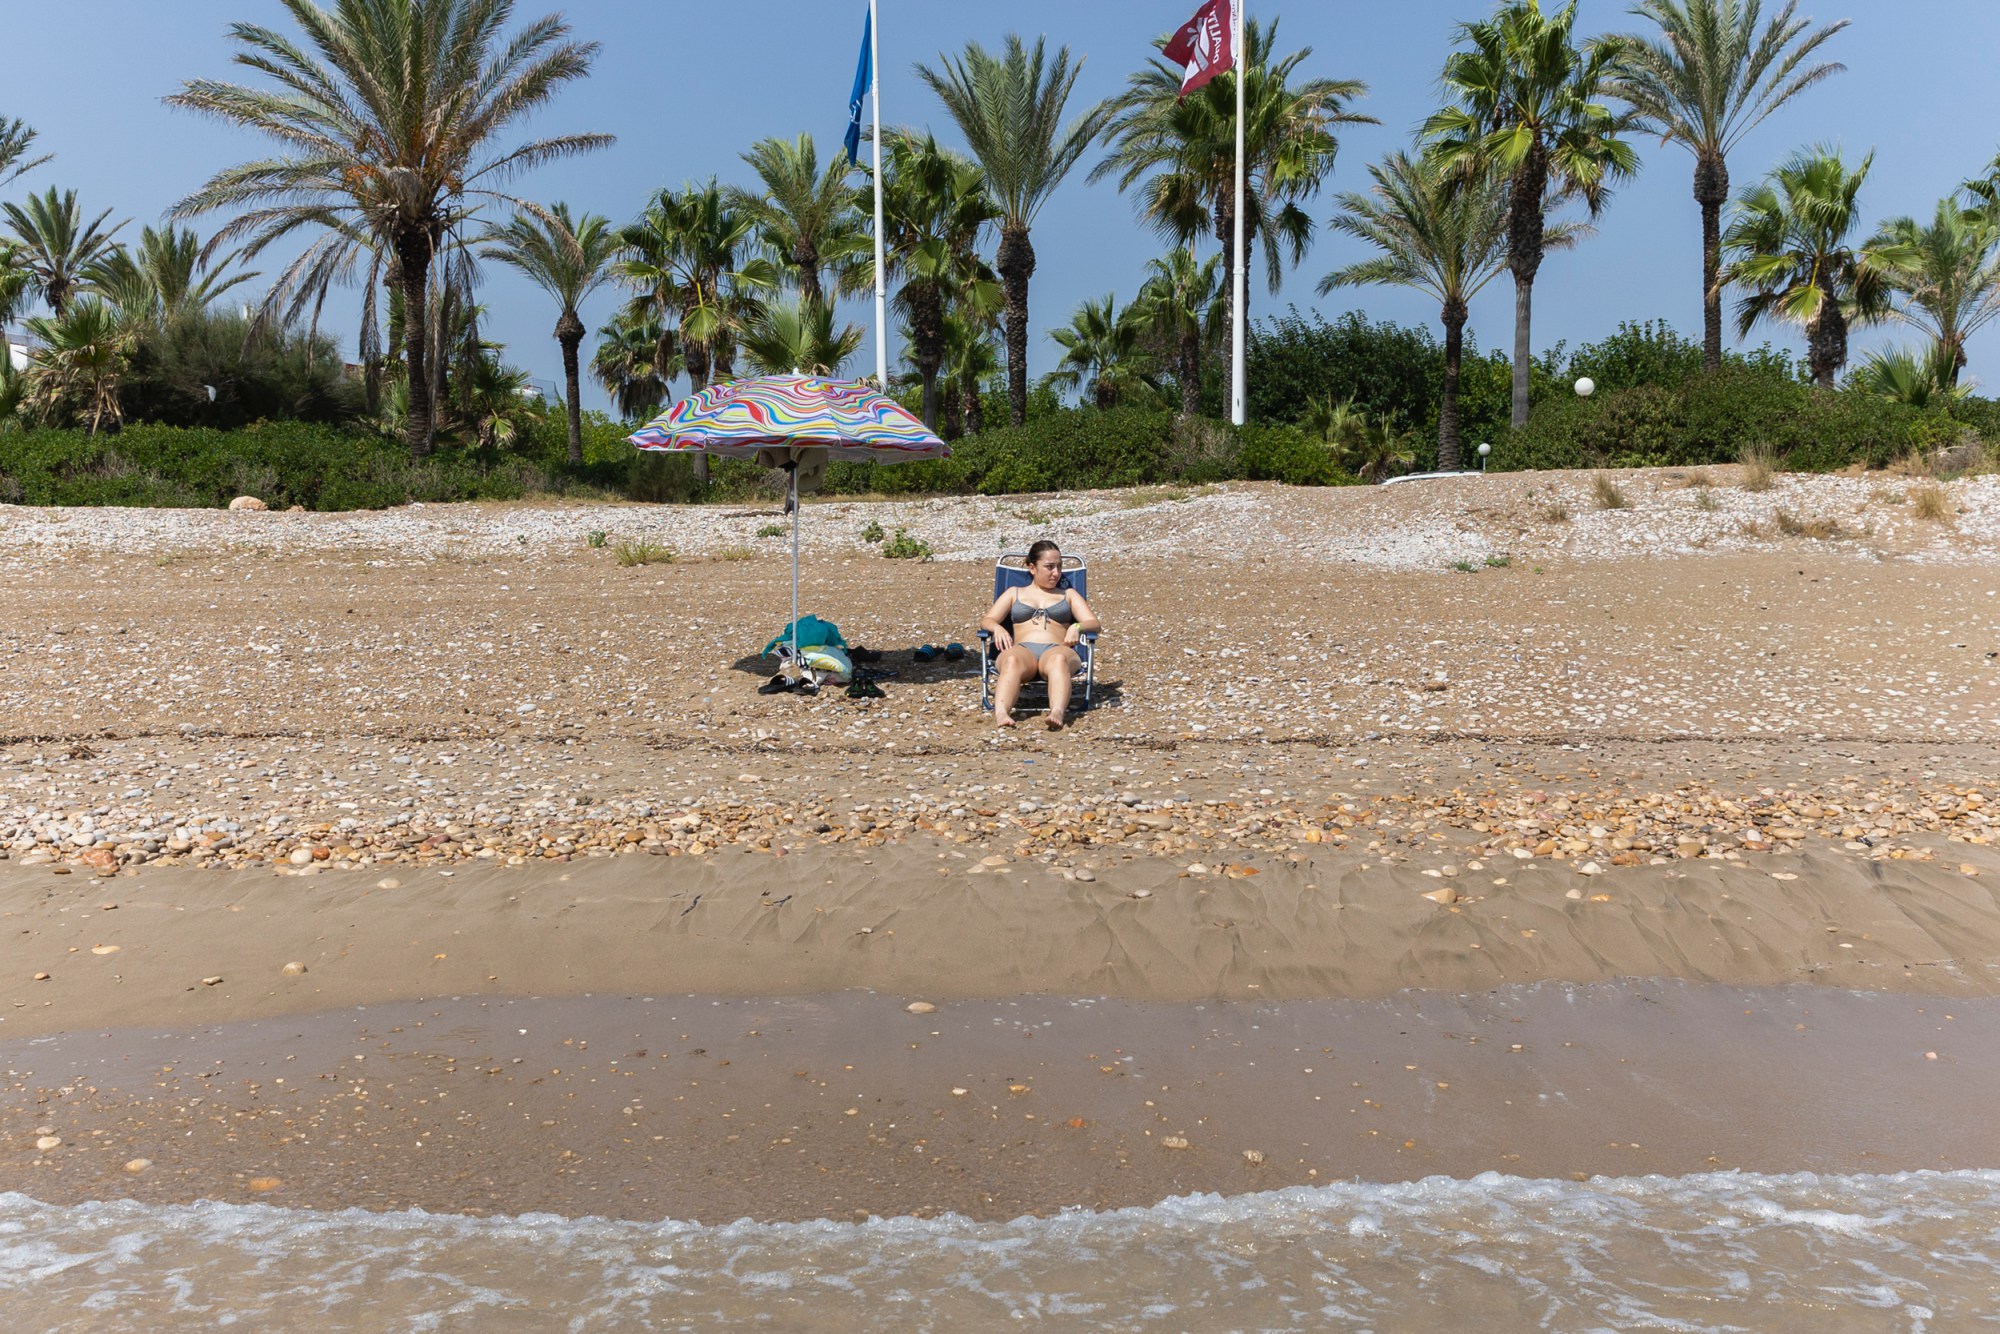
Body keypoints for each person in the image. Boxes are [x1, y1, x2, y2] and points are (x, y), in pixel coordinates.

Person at [980, 540, 1101, 730]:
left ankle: (1057, 712)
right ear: (1032, 568)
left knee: (1059, 659)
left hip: (1057, 649)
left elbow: (1094, 623)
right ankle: (1002, 713)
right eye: (1049, 567)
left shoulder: (1068, 594)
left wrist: (1076, 626)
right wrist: (997, 628)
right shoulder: (1015, 593)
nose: (1056, 573)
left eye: (1059, 567)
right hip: (1023, 650)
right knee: (1011, 660)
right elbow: (987, 620)